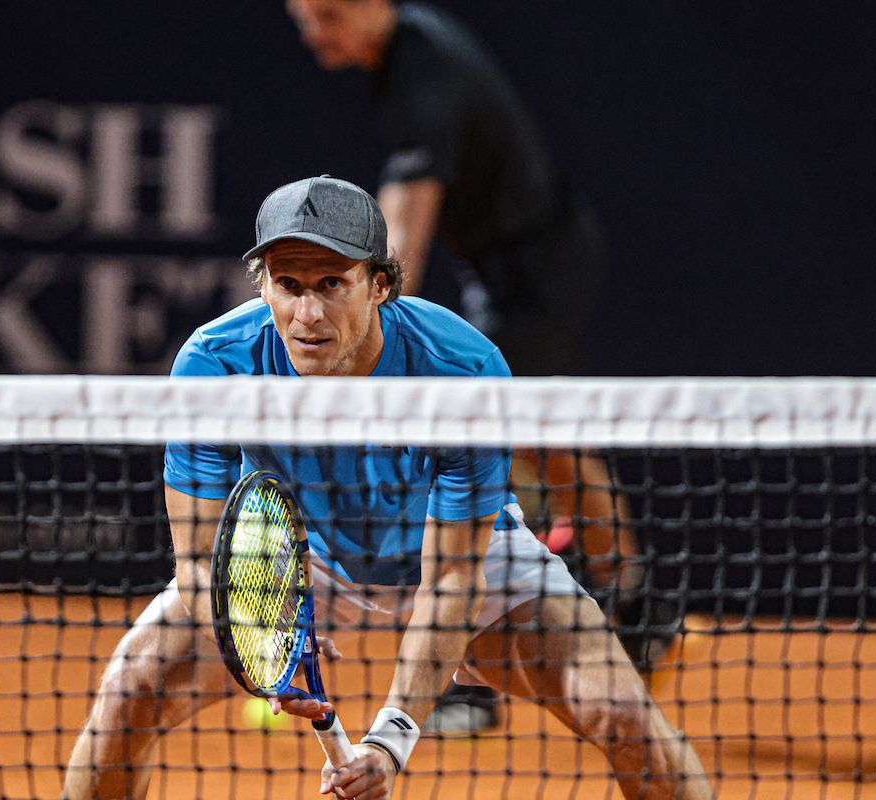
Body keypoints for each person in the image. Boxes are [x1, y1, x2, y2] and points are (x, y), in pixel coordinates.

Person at [63, 176, 710, 800]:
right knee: (128, 693)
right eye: (288, 286)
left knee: (627, 718)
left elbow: (456, 579)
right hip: (300, 556)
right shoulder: (214, 366)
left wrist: (389, 741)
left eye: (331, 285)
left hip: (461, 554)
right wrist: (259, 636)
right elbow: (201, 561)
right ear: (262, 287)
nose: (308, 314)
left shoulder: (461, 371)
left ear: (379, 286)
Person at [284, 0, 671, 731]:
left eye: (329, 15)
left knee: (485, 445)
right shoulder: (401, 58)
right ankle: (640, 603)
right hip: (514, 263)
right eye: (304, 16)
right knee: (547, 441)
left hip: (534, 270)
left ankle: (469, 682)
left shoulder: (426, 79)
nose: (314, 32)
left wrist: (364, 340)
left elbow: (402, 241)